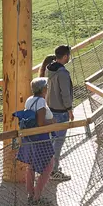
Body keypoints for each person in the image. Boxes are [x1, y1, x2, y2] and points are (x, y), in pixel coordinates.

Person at [16, 77, 56, 206]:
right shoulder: (41, 102)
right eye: (47, 87)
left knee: (31, 165)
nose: (48, 89)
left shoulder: (29, 100)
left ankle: (30, 194)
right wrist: (53, 122)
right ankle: (37, 196)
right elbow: (40, 122)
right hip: (41, 138)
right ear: (43, 89)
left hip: (30, 137)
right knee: (49, 165)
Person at [45, 44, 73, 182]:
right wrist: (70, 109)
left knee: (50, 141)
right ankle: (54, 171)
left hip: (50, 110)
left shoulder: (49, 69)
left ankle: (48, 168)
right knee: (58, 143)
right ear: (65, 56)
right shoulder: (62, 73)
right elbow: (65, 94)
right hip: (61, 113)